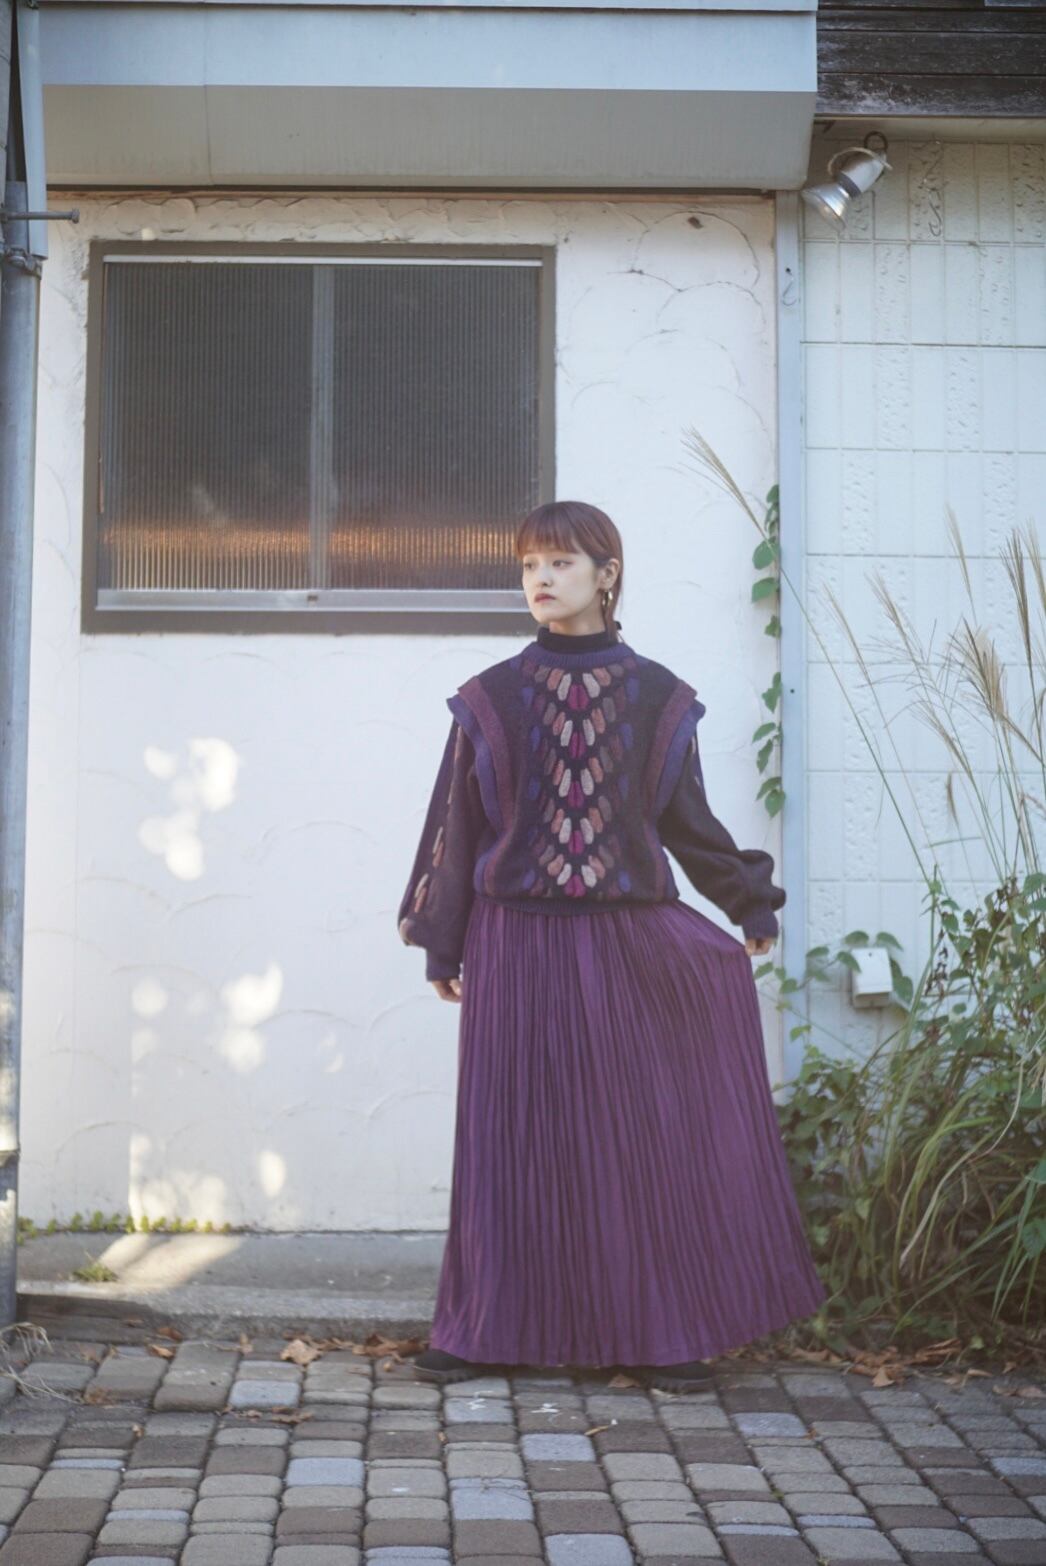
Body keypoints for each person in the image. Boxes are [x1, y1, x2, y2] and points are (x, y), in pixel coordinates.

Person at [396, 499, 825, 1392]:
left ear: (607, 575)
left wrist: (746, 903)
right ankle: (483, 1330)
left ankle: (655, 1334)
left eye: (560, 562)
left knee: (632, 1140)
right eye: (529, 565)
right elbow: (457, 826)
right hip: (514, 943)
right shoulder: (489, 699)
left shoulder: (659, 699)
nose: (541, 580)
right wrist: (444, 943)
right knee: (507, 1141)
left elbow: (687, 821)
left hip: (624, 940)